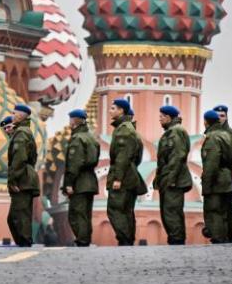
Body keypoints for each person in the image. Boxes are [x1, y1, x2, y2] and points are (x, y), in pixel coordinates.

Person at [106, 98, 147, 246]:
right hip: (130, 175)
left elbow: (122, 157)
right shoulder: (130, 129)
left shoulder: (123, 130)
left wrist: (118, 178)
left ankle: (125, 240)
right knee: (126, 210)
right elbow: (137, 157)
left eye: (112, 108)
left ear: (121, 110)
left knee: (116, 209)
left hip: (123, 178)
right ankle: (127, 240)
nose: (109, 110)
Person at [154, 105, 192, 245]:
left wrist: (170, 180)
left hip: (174, 181)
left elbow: (177, 158)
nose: (160, 119)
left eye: (162, 116)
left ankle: (177, 241)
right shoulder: (171, 132)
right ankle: (175, 239)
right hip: (169, 179)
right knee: (168, 212)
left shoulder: (176, 132)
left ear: (169, 117)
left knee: (172, 212)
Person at [63, 109, 99, 247]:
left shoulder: (77, 139)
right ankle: (85, 239)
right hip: (90, 180)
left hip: (80, 181)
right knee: (85, 214)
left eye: (71, 119)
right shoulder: (91, 138)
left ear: (75, 120)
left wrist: (69, 184)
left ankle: (82, 240)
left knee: (76, 213)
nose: (70, 122)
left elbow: (74, 163)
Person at [6, 104, 39, 247]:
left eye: (14, 113)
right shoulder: (25, 132)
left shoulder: (21, 133)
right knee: (18, 215)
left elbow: (19, 159)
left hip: (22, 179)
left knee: (19, 215)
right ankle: (24, 242)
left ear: (19, 116)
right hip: (26, 176)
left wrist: (12, 180)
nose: (12, 115)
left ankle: (24, 243)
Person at [201, 109, 232, 243]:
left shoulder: (212, 138)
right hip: (226, 180)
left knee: (214, 211)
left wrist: (207, 186)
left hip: (216, 182)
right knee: (224, 213)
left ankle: (218, 240)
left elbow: (211, 164)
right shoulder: (226, 135)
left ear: (206, 122)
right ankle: (225, 239)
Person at [213, 105, 232, 242]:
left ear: (226, 117)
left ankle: (229, 238)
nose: (220, 118)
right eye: (217, 116)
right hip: (213, 180)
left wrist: (229, 173)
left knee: (227, 211)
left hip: (227, 180)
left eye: (222, 116)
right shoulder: (210, 134)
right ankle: (218, 237)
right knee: (215, 210)